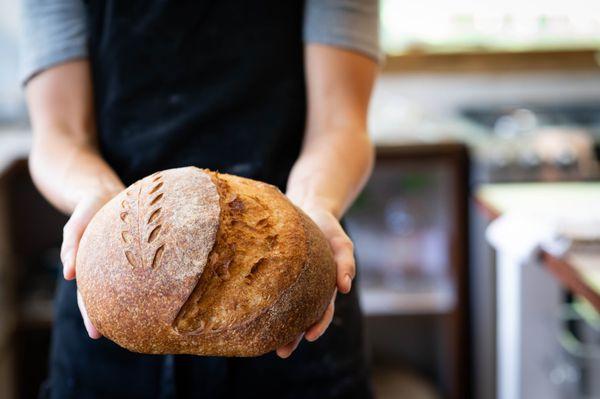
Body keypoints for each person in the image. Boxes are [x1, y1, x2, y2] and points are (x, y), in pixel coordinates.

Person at [21, 0, 380, 398]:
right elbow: (59, 135)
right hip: (114, 284)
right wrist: (98, 199)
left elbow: (340, 123)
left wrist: (315, 203)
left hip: (292, 286)